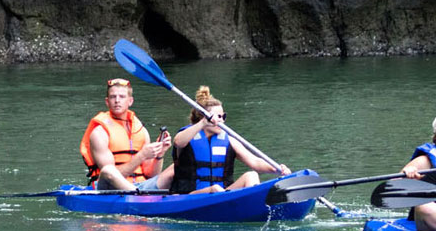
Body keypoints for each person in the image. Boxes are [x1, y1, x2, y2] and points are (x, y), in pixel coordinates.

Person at [157, 86, 290, 193]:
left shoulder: (229, 141)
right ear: (205, 117)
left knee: (251, 175)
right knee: (215, 189)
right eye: (217, 116)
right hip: (189, 195)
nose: (221, 120)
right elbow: (178, 142)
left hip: (222, 194)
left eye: (223, 116)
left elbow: (255, 162)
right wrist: (203, 122)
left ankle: (254, 205)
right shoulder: (187, 136)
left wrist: (276, 169)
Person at [80, 77, 170, 191]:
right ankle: (139, 196)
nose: (117, 100)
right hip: (110, 188)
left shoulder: (141, 130)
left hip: (141, 187)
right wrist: (142, 155)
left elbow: (150, 175)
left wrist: (160, 154)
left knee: (175, 168)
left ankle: (192, 196)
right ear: (107, 102)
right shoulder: (99, 132)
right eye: (113, 97)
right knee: (108, 170)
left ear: (130, 101)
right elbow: (110, 176)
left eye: (122, 97)